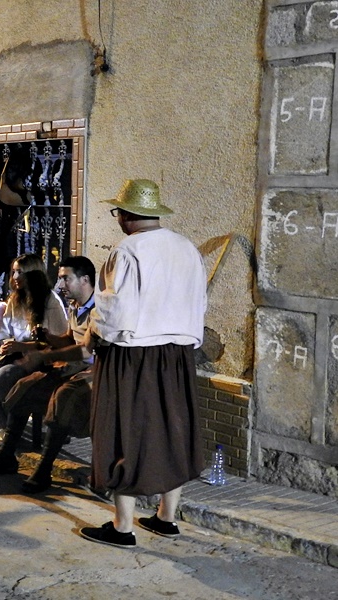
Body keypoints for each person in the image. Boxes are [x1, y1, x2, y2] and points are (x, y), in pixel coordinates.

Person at [78, 179, 207, 548]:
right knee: (172, 429)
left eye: (118, 212)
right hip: (178, 355)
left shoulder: (128, 250)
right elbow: (199, 304)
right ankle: (166, 518)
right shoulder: (187, 248)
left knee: (124, 430)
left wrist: (92, 338)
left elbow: (115, 311)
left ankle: (122, 527)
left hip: (132, 356)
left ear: (128, 215)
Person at [0, 256, 96, 492]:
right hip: (67, 364)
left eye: (66, 279)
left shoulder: (97, 309)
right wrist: (47, 337)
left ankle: (44, 468)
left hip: (92, 369)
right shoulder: (75, 305)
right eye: (60, 279)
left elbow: (85, 350)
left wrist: (43, 354)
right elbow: (68, 338)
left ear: (85, 279)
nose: (61, 285)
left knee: (63, 399)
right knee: (24, 387)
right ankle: (7, 452)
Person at [0, 254, 67, 452]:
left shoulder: (51, 302)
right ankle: (5, 427)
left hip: (42, 359)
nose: (15, 276)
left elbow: (57, 343)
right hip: (16, 355)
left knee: (3, 376)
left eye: (20, 272)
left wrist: (23, 347)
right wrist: (5, 344)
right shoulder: (15, 299)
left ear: (34, 274)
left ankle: (14, 428)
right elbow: (5, 332)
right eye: (13, 271)